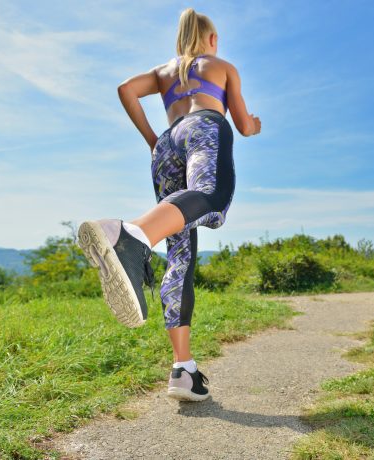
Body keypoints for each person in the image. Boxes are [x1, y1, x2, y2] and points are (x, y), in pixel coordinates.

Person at [77, 7, 261, 402]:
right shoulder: (221, 65)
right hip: (202, 129)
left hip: (165, 146)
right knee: (212, 196)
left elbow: (126, 88)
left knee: (181, 255)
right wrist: (255, 124)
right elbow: (244, 126)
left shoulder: (164, 72)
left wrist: (151, 139)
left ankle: (183, 370)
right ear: (210, 39)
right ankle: (128, 234)